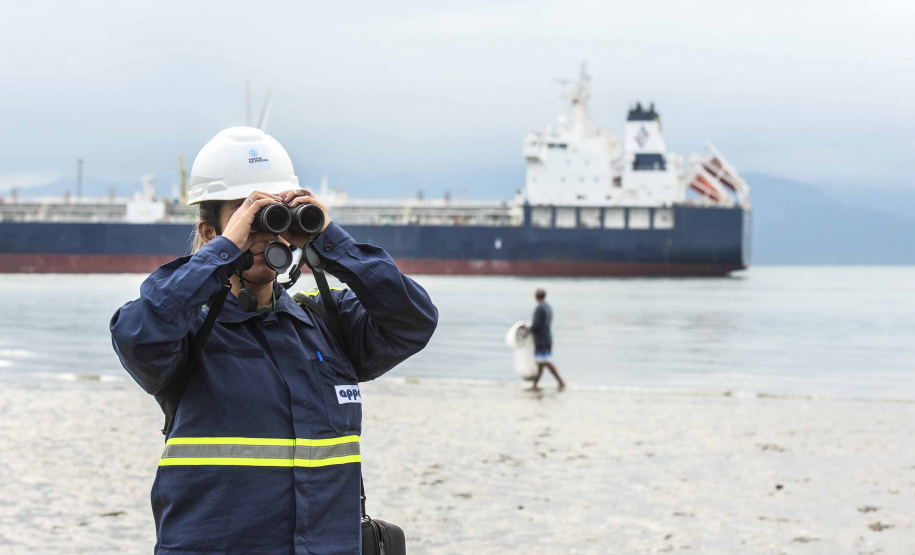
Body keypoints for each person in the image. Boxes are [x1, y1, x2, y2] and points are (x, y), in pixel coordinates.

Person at [109, 126, 438, 554]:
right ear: (209, 232)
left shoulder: (326, 322)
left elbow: (413, 322)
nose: (267, 232)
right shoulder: (187, 330)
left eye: (277, 214)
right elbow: (138, 333)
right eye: (250, 214)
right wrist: (224, 252)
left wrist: (330, 242)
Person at [530, 288, 565, 390]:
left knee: (545, 361)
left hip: (541, 339)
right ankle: (535, 385)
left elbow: (536, 325)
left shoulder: (540, 308)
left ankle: (560, 381)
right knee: (540, 363)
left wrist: (528, 329)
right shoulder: (548, 307)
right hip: (547, 337)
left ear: (536, 296)